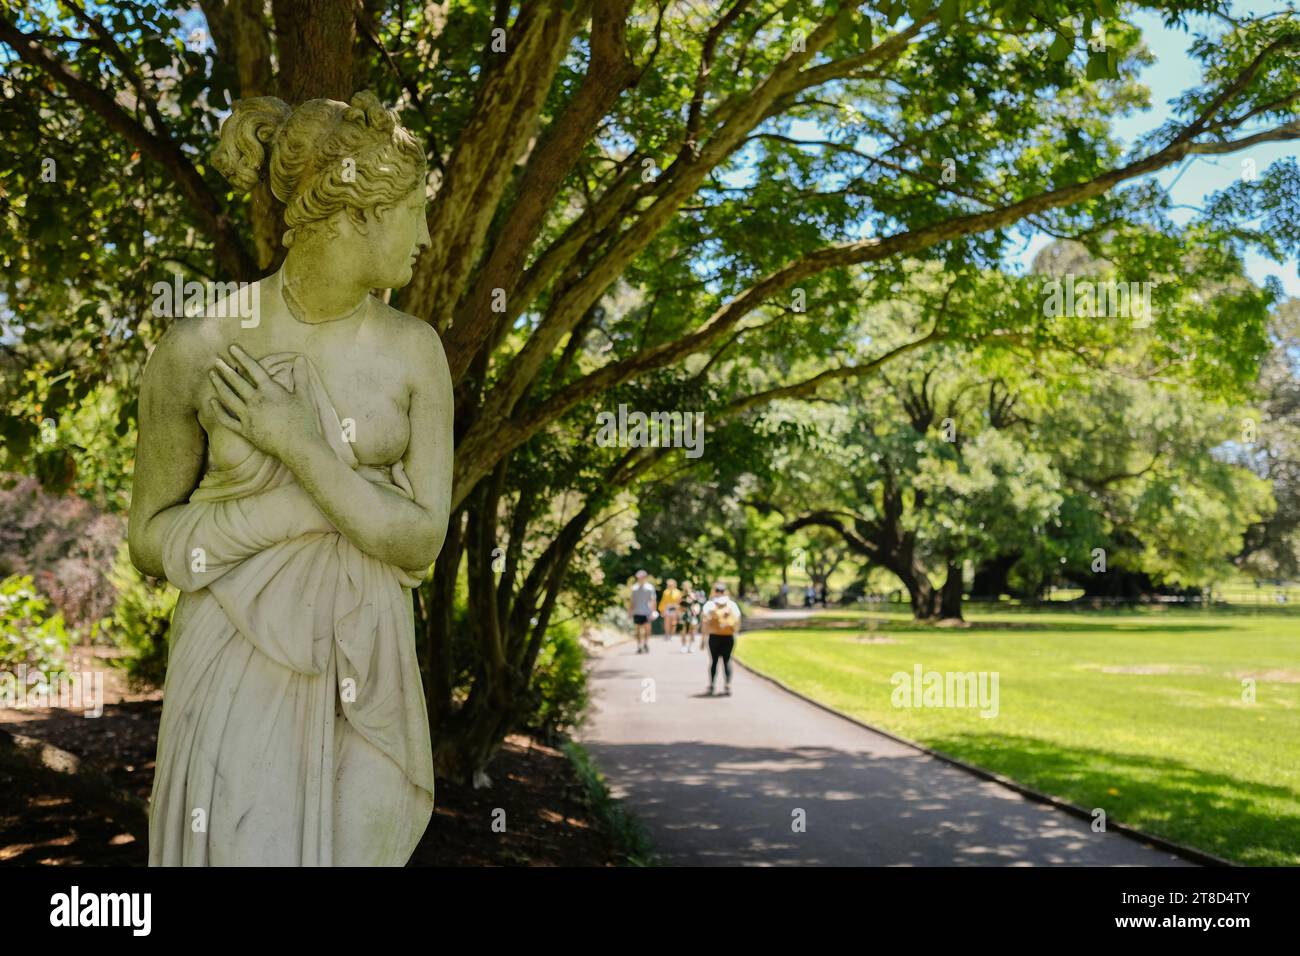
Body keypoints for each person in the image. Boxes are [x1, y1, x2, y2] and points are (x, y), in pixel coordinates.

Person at [128, 93, 444, 865]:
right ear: (357, 212)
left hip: (368, 665)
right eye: (412, 210)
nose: (428, 237)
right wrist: (302, 508)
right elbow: (147, 541)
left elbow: (421, 539)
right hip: (236, 658)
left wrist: (303, 449)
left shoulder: (413, 351)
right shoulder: (197, 348)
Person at [700, 581, 742, 695]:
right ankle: (727, 685)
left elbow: (704, 622)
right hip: (728, 636)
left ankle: (712, 685)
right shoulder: (732, 604)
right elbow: (737, 620)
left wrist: (703, 639)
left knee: (713, 661)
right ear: (725, 592)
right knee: (727, 660)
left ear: (715, 591)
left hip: (714, 636)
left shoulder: (710, 604)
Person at [628, 570, 657, 654]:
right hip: (637, 612)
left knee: (647, 630)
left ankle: (645, 643)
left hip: (647, 612)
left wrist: (653, 611)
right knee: (637, 631)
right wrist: (630, 612)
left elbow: (653, 600)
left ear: (645, 577)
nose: (640, 579)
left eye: (642, 577)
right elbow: (632, 602)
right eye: (639, 577)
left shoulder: (650, 588)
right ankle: (639, 646)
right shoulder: (634, 588)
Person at [678, 579, 700, 653]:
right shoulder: (681, 595)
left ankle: (691, 645)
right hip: (684, 615)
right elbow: (679, 605)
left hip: (692, 615)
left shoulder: (693, 594)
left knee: (692, 630)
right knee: (683, 631)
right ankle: (684, 645)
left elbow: (696, 604)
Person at [659, 578, 682, 643]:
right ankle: (667, 635)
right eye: (669, 585)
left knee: (674, 623)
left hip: (675, 608)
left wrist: (679, 610)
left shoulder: (678, 592)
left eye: (671, 585)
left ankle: (672, 635)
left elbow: (680, 602)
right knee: (667, 622)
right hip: (667, 608)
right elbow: (663, 602)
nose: (670, 586)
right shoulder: (665, 592)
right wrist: (662, 610)